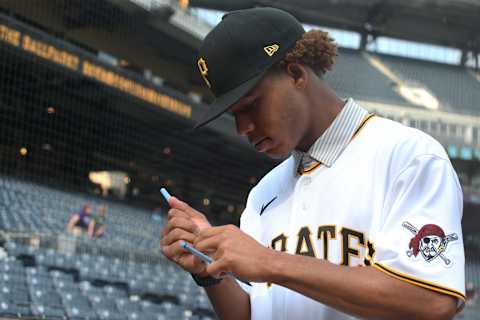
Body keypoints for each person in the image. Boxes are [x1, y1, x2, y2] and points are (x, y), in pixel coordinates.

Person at [160, 7, 465, 320]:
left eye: (251, 105)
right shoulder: (264, 193)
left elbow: (432, 302)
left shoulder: (407, 155)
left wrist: (271, 262)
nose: (243, 128)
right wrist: (209, 271)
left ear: (295, 74)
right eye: (234, 115)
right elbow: (254, 314)